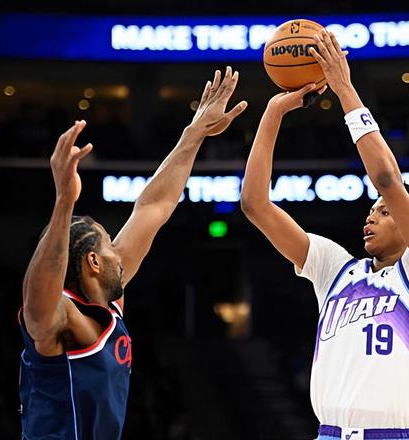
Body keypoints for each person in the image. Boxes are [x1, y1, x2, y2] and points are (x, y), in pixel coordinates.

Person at [240, 31, 409, 440]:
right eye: (371, 210)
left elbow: (387, 178)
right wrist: (272, 113)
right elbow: (254, 205)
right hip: (328, 433)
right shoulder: (335, 268)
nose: (371, 216)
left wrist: (344, 89)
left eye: (384, 211)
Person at [19, 67, 247, 440]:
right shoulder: (60, 317)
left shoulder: (108, 301)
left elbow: (153, 207)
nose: (119, 250)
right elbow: (35, 302)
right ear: (93, 262)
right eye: (110, 243)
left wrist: (194, 134)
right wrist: (64, 203)